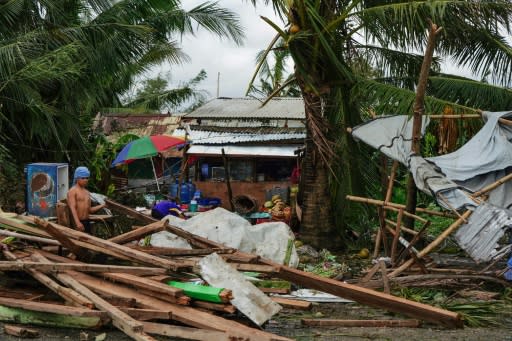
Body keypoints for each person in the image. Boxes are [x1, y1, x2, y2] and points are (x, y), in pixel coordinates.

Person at [67, 166, 106, 234]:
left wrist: (103, 205)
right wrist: (77, 223)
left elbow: (90, 210)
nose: (85, 180)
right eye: (83, 178)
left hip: (86, 221)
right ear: (77, 178)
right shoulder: (72, 191)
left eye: (87, 178)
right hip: (76, 222)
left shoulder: (87, 193)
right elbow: (72, 207)